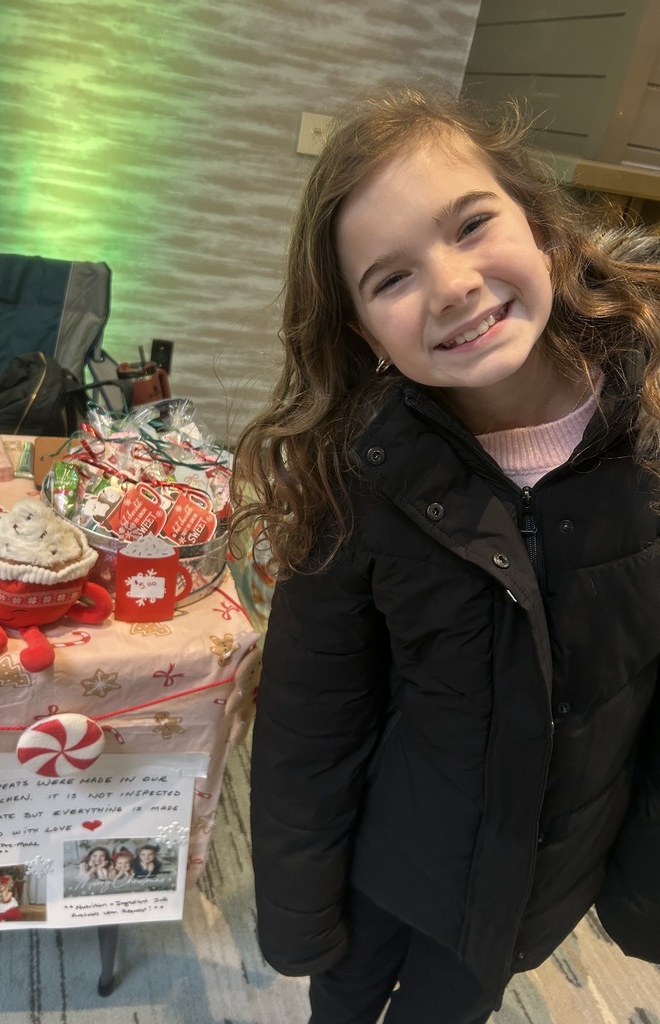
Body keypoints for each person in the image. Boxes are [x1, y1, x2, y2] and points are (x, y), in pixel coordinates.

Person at [231, 82, 660, 1024]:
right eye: (391, 278)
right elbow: (312, 721)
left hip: (535, 881)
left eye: (471, 225)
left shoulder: (650, 431)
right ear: (362, 331)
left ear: (539, 222)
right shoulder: (357, 475)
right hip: (389, 858)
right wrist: (301, 918)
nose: (454, 283)